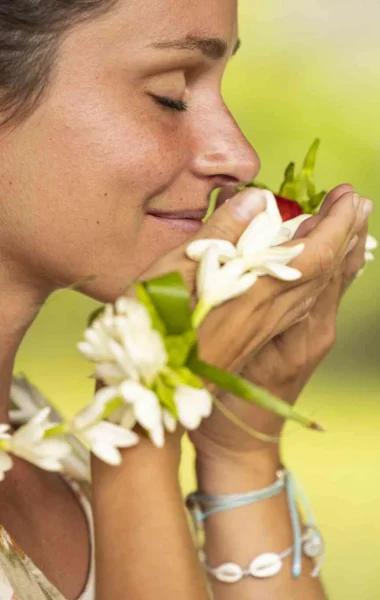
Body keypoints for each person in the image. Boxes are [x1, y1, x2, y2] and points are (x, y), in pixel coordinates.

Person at [0, 0, 371, 598]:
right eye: (170, 95)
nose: (240, 157)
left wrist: (241, 450)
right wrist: (139, 438)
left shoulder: (40, 449)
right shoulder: (105, 454)